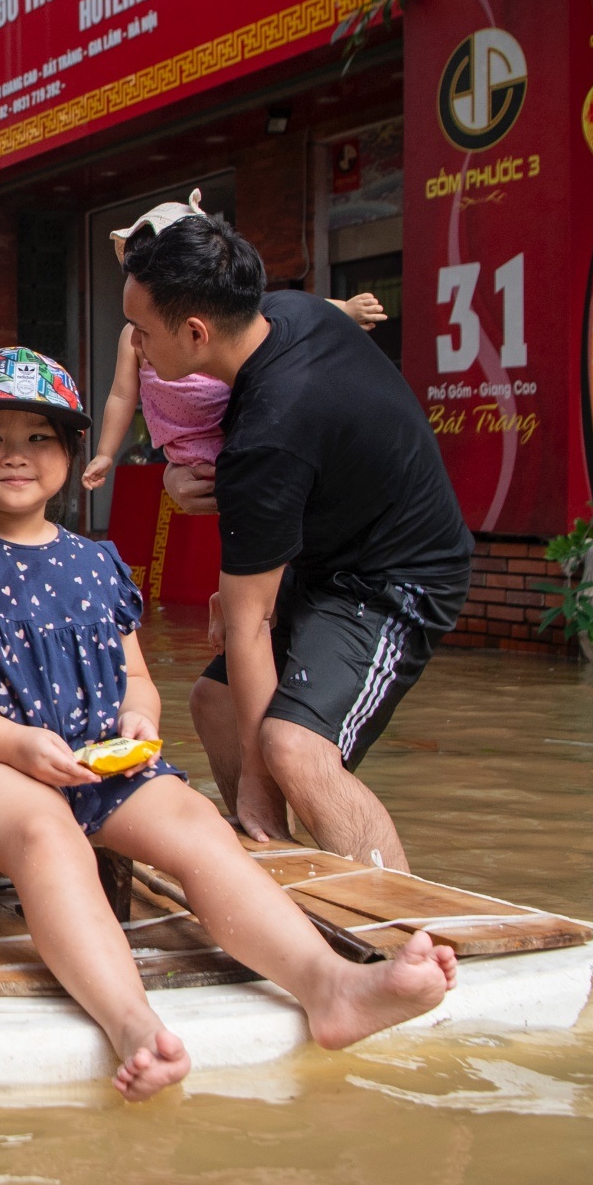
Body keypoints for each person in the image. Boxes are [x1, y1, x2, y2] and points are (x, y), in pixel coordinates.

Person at [0, 349, 456, 1101]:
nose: (17, 454)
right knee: (44, 828)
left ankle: (331, 985)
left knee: (197, 823)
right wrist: (13, 743)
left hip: (91, 756)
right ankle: (132, 1024)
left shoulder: (97, 563)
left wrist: (139, 722)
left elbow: (136, 678)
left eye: (40, 437)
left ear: (73, 454)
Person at [123, 213, 474, 871]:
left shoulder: (271, 430)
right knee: (217, 701)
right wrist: (180, 479)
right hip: (327, 552)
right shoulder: (285, 312)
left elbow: (250, 621)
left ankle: (408, 930)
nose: (137, 348)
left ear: (195, 334)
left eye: (143, 332)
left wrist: (260, 785)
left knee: (292, 748)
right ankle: (278, 869)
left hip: (398, 576)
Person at [83, 194, 392, 491]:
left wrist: (344, 310)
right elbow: (122, 396)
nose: (139, 340)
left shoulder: (250, 332)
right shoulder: (136, 338)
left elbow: (294, 307)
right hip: (188, 450)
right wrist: (107, 453)